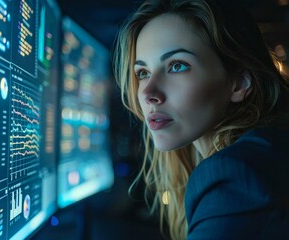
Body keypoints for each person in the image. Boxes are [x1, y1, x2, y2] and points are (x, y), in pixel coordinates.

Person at [112, 0, 289, 239]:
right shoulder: (266, 151)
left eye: (177, 66)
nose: (147, 93)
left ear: (239, 83)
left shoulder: (234, 174)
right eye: (142, 73)